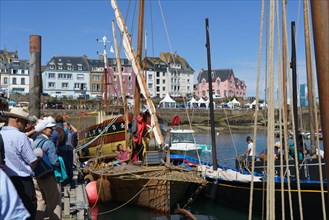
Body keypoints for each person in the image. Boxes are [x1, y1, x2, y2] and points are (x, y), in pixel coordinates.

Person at [1, 108, 38, 220]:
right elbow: (33, 161)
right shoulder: (20, 136)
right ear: (17, 121)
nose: (26, 126)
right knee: (28, 212)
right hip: (22, 181)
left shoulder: (0, 133)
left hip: (4, 179)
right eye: (25, 123)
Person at [33, 119, 62, 220]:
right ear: (44, 130)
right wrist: (60, 162)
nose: (52, 130)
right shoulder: (49, 143)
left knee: (40, 202)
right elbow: (54, 161)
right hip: (48, 177)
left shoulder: (34, 142)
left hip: (36, 176)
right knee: (54, 203)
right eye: (50, 128)